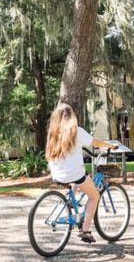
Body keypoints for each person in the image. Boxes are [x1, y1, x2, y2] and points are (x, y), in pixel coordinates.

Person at [45, 103, 118, 244]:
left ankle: (72, 203)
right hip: (74, 174)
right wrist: (110, 146)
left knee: (76, 176)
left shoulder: (53, 133)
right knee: (94, 196)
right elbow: (94, 142)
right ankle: (85, 230)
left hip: (57, 174)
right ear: (72, 116)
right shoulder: (76, 131)